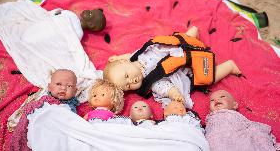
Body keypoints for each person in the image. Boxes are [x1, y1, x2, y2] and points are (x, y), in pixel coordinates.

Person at [103, 26, 241, 108]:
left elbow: (128, 55)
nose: (132, 81)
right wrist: (175, 94)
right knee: (202, 77)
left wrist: (119, 57)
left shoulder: (135, 57)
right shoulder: (151, 81)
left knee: (204, 82)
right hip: (187, 58)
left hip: (180, 51)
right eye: (127, 86)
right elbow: (165, 88)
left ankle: (192, 36)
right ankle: (229, 66)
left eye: (127, 76)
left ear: (125, 63)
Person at [10, 69, 79, 151]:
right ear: (49, 87)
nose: (63, 88)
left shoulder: (72, 106)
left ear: (75, 91)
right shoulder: (43, 102)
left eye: (69, 86)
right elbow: (33, 115)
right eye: (58, 84)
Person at [205, 89, 279, 151]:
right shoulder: (211, 117)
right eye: (212, 100)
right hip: (216, 139)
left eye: (222, 97)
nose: (217, 100)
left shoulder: (234, 115)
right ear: (209, 111)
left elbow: (247, 127)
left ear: (235, 105)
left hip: (237, 136)